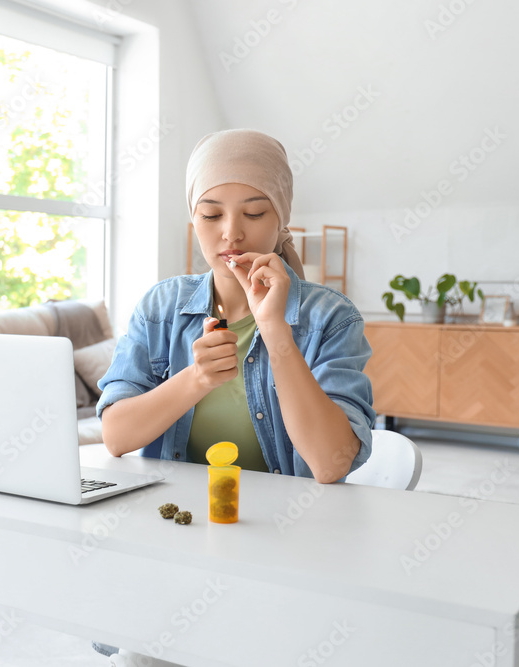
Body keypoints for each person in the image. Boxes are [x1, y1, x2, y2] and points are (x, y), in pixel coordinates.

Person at [92, 130, 376, 665]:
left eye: (254, 212)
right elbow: (116, 434)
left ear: (281, 220)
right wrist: (194, 380)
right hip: (180, 542)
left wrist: (276, 333)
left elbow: (332, 462)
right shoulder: (161, 306)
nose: (231, 234)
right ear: (193, 221)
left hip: (284, 551)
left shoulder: (330, 318)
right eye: (211, 214)